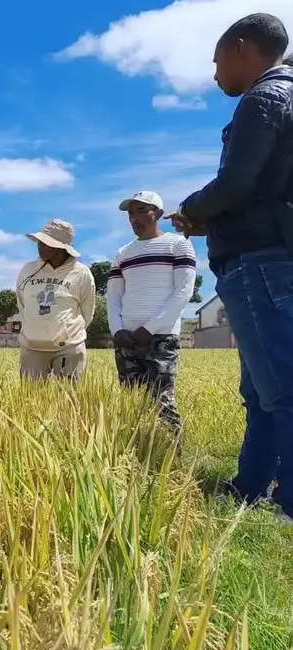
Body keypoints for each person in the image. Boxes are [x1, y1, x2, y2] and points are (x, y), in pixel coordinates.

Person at [166, 14, 293, 517]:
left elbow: (237, 183)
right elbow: (263, 188)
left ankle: (285, 501)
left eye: (217, 60)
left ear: (241, 49)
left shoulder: (263, 98)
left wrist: (192, 211)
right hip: (274, 253)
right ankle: (253, 485)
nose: (215, 73)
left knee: (280, 387)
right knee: (263, 386)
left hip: (259, 261)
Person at [107, 192, 196, 435]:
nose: (134, 218)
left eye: (141, 210)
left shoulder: (179, 244)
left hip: (161, 338)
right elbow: (113, 296)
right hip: (127, 339)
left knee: (162, 402)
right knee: (131, 403)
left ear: (157, 213)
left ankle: (171, 463)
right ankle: (137, 457)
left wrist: (150, 328)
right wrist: (118, 330)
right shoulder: (122, 253)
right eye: (130, 213)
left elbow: (184, 291)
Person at [16, 219, 96, 380]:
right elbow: (23, 304)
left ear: (60, 248)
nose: (40, 247)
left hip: (69, 347)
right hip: (32, 346)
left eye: (46, 244)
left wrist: (66, 331)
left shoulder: (81, 273)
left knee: (67, 401)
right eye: (40, 242)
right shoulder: (28, 270)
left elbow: (88, 310)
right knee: (29, 400)